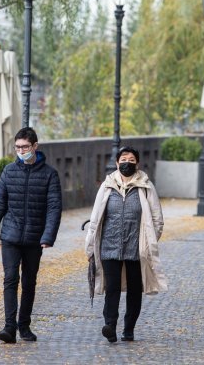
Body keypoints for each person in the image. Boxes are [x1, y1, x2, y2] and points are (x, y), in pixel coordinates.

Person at [0, 127, 62, 344]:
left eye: (25, 147)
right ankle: (9, 327)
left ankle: (24, 326)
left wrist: (48, 236)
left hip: (35, 238)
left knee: (29, 282)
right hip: (11, 236)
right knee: (10, 279)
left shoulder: (49, 174)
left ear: (35, 146)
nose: (21, 150)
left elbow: (54, 207)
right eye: (17, 147)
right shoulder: (9, 171)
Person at [85, 146, 167, 344]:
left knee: (134, 289)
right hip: (109, 246)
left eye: (131, 160)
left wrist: (148, 241)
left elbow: (157, 220)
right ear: (116, 163)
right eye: (123, 159)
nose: (127, 163)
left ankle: (129, 328)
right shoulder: (107, 185)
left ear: (137, 163)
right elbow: (95, 218)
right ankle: (110, 325)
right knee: (111, 287)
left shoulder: (145, 186)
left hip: (136, 248)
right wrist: (89, 245)